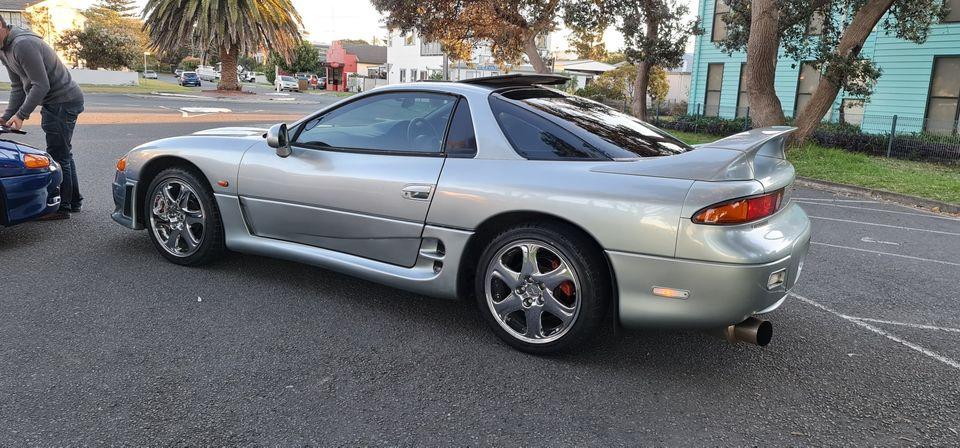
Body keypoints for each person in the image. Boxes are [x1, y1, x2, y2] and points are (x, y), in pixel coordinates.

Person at [0, 16, 84, 220]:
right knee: (63, 152)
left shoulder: (22, 44)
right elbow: (18, 86)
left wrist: (21, 115)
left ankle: (62, 208)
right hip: (54, 101)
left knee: (58, 153)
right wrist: (7, 116)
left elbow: (40, 85)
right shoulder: (4, 49)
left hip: (64, 101)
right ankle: (73, 201)